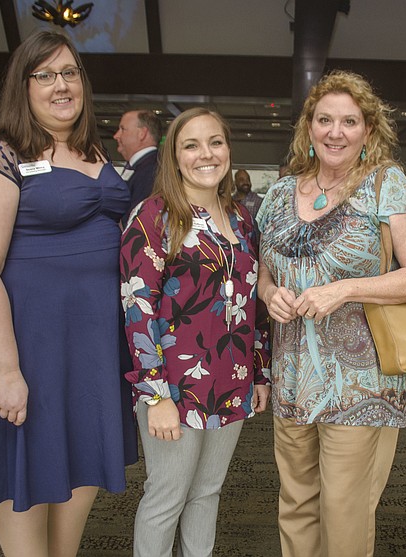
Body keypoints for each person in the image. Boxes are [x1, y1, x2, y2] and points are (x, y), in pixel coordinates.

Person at [0, 31, 137, 557]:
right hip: (26, 342)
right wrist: (6, 371)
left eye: (70, 72)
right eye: (44, 75)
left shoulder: (91, 149)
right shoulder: (1, 154)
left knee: (81, 470)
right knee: (27, 476)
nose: (61, 85)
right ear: (22, 87)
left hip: (91, 344)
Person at [256, 70, 406, 557]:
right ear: (309, 128)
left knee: (343, 506)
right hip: (292, 374)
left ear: (368, 131)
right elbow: (263, 271)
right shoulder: (278, 193)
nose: (335, 132)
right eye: (325, 120)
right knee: (295, 501)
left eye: (349, 121)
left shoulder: (387, 186)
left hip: (359, 381)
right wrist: (268, 292)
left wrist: (346, 289)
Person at [121, 107, 271, 557]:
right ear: (174, 155)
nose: (206, 154)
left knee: (208, 492)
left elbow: (253, 303)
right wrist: (155, 395)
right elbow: (137, 308)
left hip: (231, 378)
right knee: (166, 496)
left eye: (216, 142)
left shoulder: (241, 218)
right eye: (191, 145)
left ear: (228, 149)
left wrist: (260, 373)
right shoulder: (154, 217)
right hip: (174, 385)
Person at [114, 109, 161, 225]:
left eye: (123, 129)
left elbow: (138, 221)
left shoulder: (152, 171)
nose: (116, 136)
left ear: (142, 133)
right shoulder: (144, 166)